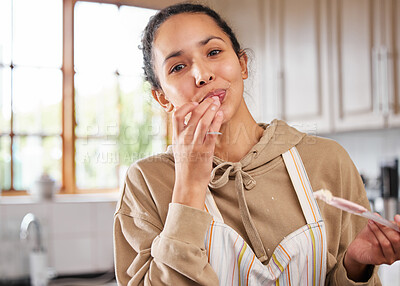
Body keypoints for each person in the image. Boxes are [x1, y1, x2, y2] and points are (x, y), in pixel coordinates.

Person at [113, 3, 400, 285]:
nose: (202, 75)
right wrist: (188, 185)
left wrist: (355, 265)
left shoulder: (328, 160)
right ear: (162, 98)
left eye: (213, 52)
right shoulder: (146, 183)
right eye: (177, 67)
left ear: (242, 64)